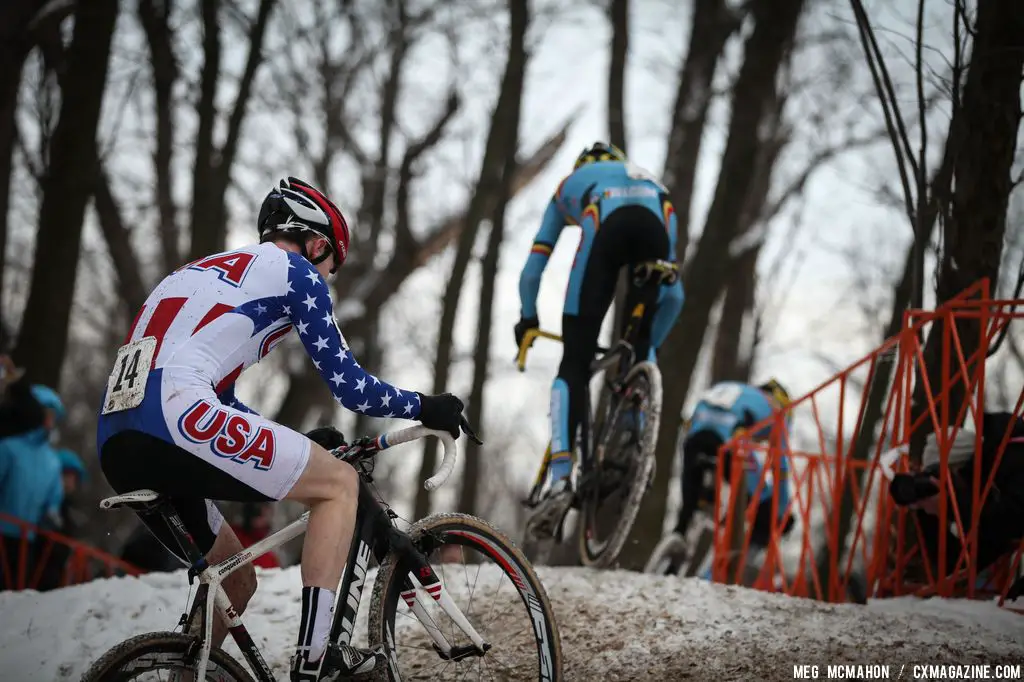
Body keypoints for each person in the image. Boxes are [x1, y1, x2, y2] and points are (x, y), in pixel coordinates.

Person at [95, 176, 469, 681]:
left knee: (236, 577)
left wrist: (297, 445)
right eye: (330, 269)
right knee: (338, 487)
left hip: (118, 438)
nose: (326, 280)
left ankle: (186, 671)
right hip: (175, 417)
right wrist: (426, 406)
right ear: (318, 245)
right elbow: (351, 387)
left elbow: (209, 392)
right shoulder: (298, 271)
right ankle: (318, 659)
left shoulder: (197, 271)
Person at [514, 142, 685, 519]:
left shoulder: (569, 186)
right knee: (640, 347)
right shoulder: (654, 184)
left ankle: (560, 477)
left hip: (607, 229)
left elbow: (532, 272)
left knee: (573, 364)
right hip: (656, 230)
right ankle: (637, 430)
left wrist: (528, 320)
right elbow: (675, 295)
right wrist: (648, 349)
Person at [890, 411, 1024, 596]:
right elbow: (959, 564)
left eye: (943, 477)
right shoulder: (987, 495)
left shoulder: (1015, 458)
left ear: (962, 468)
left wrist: (957, 502)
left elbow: (1010, 523)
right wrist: (928, 512)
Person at [674, 379, 794, 555]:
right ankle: (733, 559)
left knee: (689, 500)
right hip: (727, 442)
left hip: (695, 436)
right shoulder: (778, 412)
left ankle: (678, 535)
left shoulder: (737, 389)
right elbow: (780, 467)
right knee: (762, 505)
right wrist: (781, 510)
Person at [0, 385, 66, 590]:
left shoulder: (52, 461)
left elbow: (54, 500)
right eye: (46, 412)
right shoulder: (9, 447)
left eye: (53, 415)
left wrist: (52, 514)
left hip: (27, 541)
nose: (49, 420)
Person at [232, 502, 281, 569]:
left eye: (265, 506)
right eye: (256, 510)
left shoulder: (270, 559)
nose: (259, 510)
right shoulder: (231, 536)